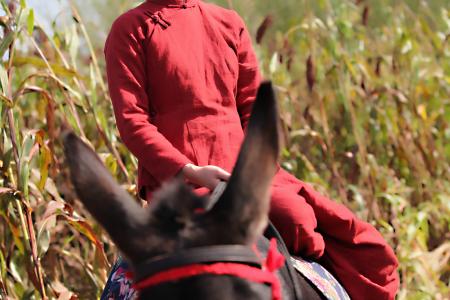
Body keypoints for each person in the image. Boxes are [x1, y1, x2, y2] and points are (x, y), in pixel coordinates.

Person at [102, 0, 399, 299]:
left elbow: (253, 112)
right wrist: (190, 172)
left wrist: (251, 174)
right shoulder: (130, 29)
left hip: (242, 173)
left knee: (298, 219)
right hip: (180, 184)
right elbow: (133, 123)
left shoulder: (228, 22)